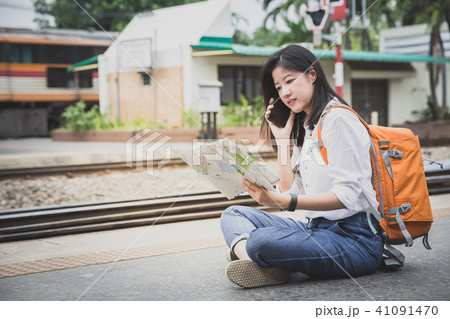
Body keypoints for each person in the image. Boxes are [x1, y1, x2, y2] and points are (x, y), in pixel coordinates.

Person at [220, 44, 384, 288]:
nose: (285, 92)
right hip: (316, 229)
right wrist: (284, 140)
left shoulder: (338, 119)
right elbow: (289, 189)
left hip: (353, 239)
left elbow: (348, 196)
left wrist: (284, 202)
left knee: (260, 241)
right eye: (279, 87)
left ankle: (252, 254)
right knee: (233, 214)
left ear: (312, 74)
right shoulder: (308, 126)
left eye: (289, 81)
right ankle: (259, 260)